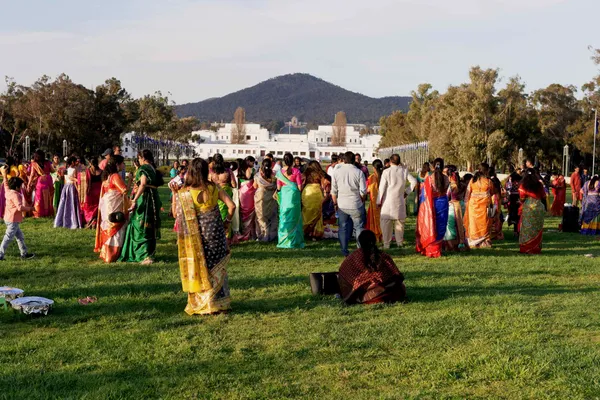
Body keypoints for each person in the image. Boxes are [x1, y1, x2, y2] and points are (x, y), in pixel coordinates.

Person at [171, 158, 234, 315]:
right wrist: (226, 222)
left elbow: (175, 215)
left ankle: (205, 305)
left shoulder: (185, 193)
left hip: (198, 238)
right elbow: (231, 206)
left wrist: (174, 194)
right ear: (206, 171)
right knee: (217, 268)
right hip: (217, 234)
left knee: (202, 268)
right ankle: (221, 304)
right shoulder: (214, 188)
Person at [337, 230, 406, 305]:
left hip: (367, 296)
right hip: (389, 293)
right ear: (374, 240)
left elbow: (343, 273)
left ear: (359, 242)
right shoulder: (383, 256)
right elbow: (396, 275)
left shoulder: (353, 257)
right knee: (400, 287)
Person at [119, 150, 162, 264]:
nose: (138, 161)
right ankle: (149, 253)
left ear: (142, 158)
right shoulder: (152, 168)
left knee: (141, 224)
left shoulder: (144, 169)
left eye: (139, 158)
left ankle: (144, 255)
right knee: (150, 225)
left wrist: (135, 199)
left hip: (145, 198)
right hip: (153, 197)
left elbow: (143, 184)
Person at [376, 154, 417, 249]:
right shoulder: (404, 171)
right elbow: (414, 181)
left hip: (388, 201)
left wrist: (378, 201)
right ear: (399, 162)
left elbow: (381, 188)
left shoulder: (386, 172)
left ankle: (386, 244)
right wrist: (407, 192)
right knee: (400, 223)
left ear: (390, 161)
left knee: (386, 223)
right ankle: (399, 243)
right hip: (400, 200)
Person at [331, 151, 367, 256]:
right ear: (354, 160)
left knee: (343, 227)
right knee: (359, 227)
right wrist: (362, 199)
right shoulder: (359, 172)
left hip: (342, 204)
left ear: (344, 160)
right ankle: (360, 250)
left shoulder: (336, 172)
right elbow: (363, 191)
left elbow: (333, 191)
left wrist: (335, 204)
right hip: (356, 203)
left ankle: (344, 249)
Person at [94, 155, 129, 262]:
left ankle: (106, 253)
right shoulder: (115, 176)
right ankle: (113, 254)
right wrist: (131, 180)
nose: (124, 165)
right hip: (115, 206)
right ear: (118, 164)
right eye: (123, 163)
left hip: (108, 205)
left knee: (109, 226)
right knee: (117, 227)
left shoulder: (107, 177)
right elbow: (124, 190)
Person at [416, 158, 449, 258]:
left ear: (433, 167)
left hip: (431, 204)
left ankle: (430, 248)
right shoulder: (446, 178)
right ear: (443, 167)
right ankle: (437, 249)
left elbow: (424, 195)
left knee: (431, 224)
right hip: (443, 203)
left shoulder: (429, 179)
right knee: (441, 225)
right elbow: (446, 190)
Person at [0, 166, 35, 260]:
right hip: (13, 220)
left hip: (8, 219)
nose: (21, 188)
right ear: (16, 187)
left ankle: (24, 253)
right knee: (8, 238)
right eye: (21, 186)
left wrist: (4, 175)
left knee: (20, 237)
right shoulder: (16, 195)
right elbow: (19, 207)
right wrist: (30, 208)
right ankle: (0, 254)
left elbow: (6, 184)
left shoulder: (8, 191)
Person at [276, 153, 305, 249]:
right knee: (295, 218)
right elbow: (300, 187)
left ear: (284, 161)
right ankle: (295, 241)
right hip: (294, 198)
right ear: (292, 161)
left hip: (284, 197)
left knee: (284, 217)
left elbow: (278, 187)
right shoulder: (296, 171)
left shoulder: (280, 173)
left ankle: (284, 241)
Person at [464, 163, 493, 248]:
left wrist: (466, 204)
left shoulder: (472, 180)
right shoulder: (488, 181)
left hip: (473, 205)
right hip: (484, 205)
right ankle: (484, 242)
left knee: (474, 224)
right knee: (484, 223)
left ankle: (474, 241)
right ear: (486, 171)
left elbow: (467, 194)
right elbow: (491, 192)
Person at [518, 169, 546, 254]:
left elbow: (522, 198)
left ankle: (526, 248)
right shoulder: (539, 184)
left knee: (527, 228)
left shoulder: (523, 185)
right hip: (539, 207)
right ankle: (536, 248)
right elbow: (543, 196)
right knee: (537, 228)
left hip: (529, 207)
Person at [210, 154, 236, 237]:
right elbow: (234, 184)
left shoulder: (211, 172)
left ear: (213, 162)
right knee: (228, 210)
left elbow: (208, 184)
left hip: (214, 193)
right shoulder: (228, 171)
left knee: (215, 213)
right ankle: (227, 235)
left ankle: (216, 233)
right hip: (226, 192)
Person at [54, 157, 84, 229]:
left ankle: (61, 220)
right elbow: (74, 180)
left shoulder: (65, 170)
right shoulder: (74, 170)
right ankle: (73, 220)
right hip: (71, 187)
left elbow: (65, 180)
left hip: (66, 187)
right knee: (72, 203)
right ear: (72, 162)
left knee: (64, 203)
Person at [443, 165, 468, 251]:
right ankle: (461, 242)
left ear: (450, 176)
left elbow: (447, 197)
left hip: (453, 206)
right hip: (461, 205)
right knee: (460, 225)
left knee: (450, 226)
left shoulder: (451, 186)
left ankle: (451, 245)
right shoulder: (462, 184)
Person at [254, 158, 278, 242]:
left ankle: (263, 235)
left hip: (261, 197)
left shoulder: (258, 175)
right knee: (272, 216)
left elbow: (255, 186)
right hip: (272, 197)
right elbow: (277, 186)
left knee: (261, 216)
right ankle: (272, 235)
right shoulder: (275, 175)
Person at [302, 160, 326, 240]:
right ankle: (315, 234)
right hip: (317, 193)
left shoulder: (306, 173)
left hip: (307, 192)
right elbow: (323, 186)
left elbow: (302, 184)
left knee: (306, 213)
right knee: (317, 214)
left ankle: (305, 231)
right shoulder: (320, 174)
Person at [28, 150, 55, 218]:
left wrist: (29, 184)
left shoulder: (34, 164)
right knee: (48, 196)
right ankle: (48, 212)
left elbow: (32, 174)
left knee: (39, 197)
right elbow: (52, 170)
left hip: (41, 181)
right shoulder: (48, 162)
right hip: (48, 180)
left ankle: (39, 213)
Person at [236, 156, 257, 241]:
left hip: (242, 191)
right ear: (249, 162)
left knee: (244, 212)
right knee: (251, 211)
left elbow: (237, 183)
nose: (253, 164)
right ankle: (250, 233)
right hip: (250, 192)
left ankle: (244, 231)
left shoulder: (239, 170)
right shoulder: (253, 171)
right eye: (252, 162)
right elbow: (255, 182)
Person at [365, 159, 384, 242]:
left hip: (374, 203)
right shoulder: (384, 176)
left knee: (374, 220)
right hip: (384, 202)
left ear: (373, 168)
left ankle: (375, 236)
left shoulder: (371, 177)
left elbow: (367, 189)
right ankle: (383, 236)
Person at [82, 157, 103, 228]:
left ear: (90, 163)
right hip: (99, 191)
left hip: (91, 191)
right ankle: (96, 221)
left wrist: (85, 194)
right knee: (97, 207)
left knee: (89, 208)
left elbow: (87, 183)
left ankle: (91, 222)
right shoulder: (101, 171)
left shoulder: (88, 171)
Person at [506, 169, 522, 237]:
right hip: (519, 198)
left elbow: (508, 189)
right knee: (518, 216)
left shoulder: (510, 182)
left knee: (514, 215)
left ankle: (515, 231)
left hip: (512, 199)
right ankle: (517, 231)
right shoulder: (520, 182)